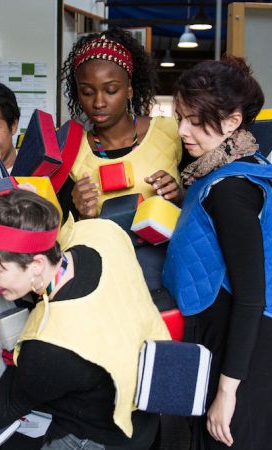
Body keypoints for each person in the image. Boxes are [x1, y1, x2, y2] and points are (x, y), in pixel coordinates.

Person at [0, 189, 170, 450]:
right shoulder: (101, 232)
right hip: (147, 400)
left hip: (103, 435)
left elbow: (12, 400)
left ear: (37, 265)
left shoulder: (51, 345)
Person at [163, 57, 272, 450]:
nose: (182, 130)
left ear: (232, 121)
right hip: (239, 352)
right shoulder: (223, 174)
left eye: (194, 120)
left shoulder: (230, 189)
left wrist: (227, 392)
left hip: (255, 364)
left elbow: (250, 298)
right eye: (180, 117)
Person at [60, 28, 183, 292]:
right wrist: (80, 213)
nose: (99, 102)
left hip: (164, 274)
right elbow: (58, 234)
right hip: (104, 279)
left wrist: (180, 194)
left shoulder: (170, 133)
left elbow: (204, 200)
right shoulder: (70, 150)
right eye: (87, 92)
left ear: (129, 89)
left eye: (111, 90)